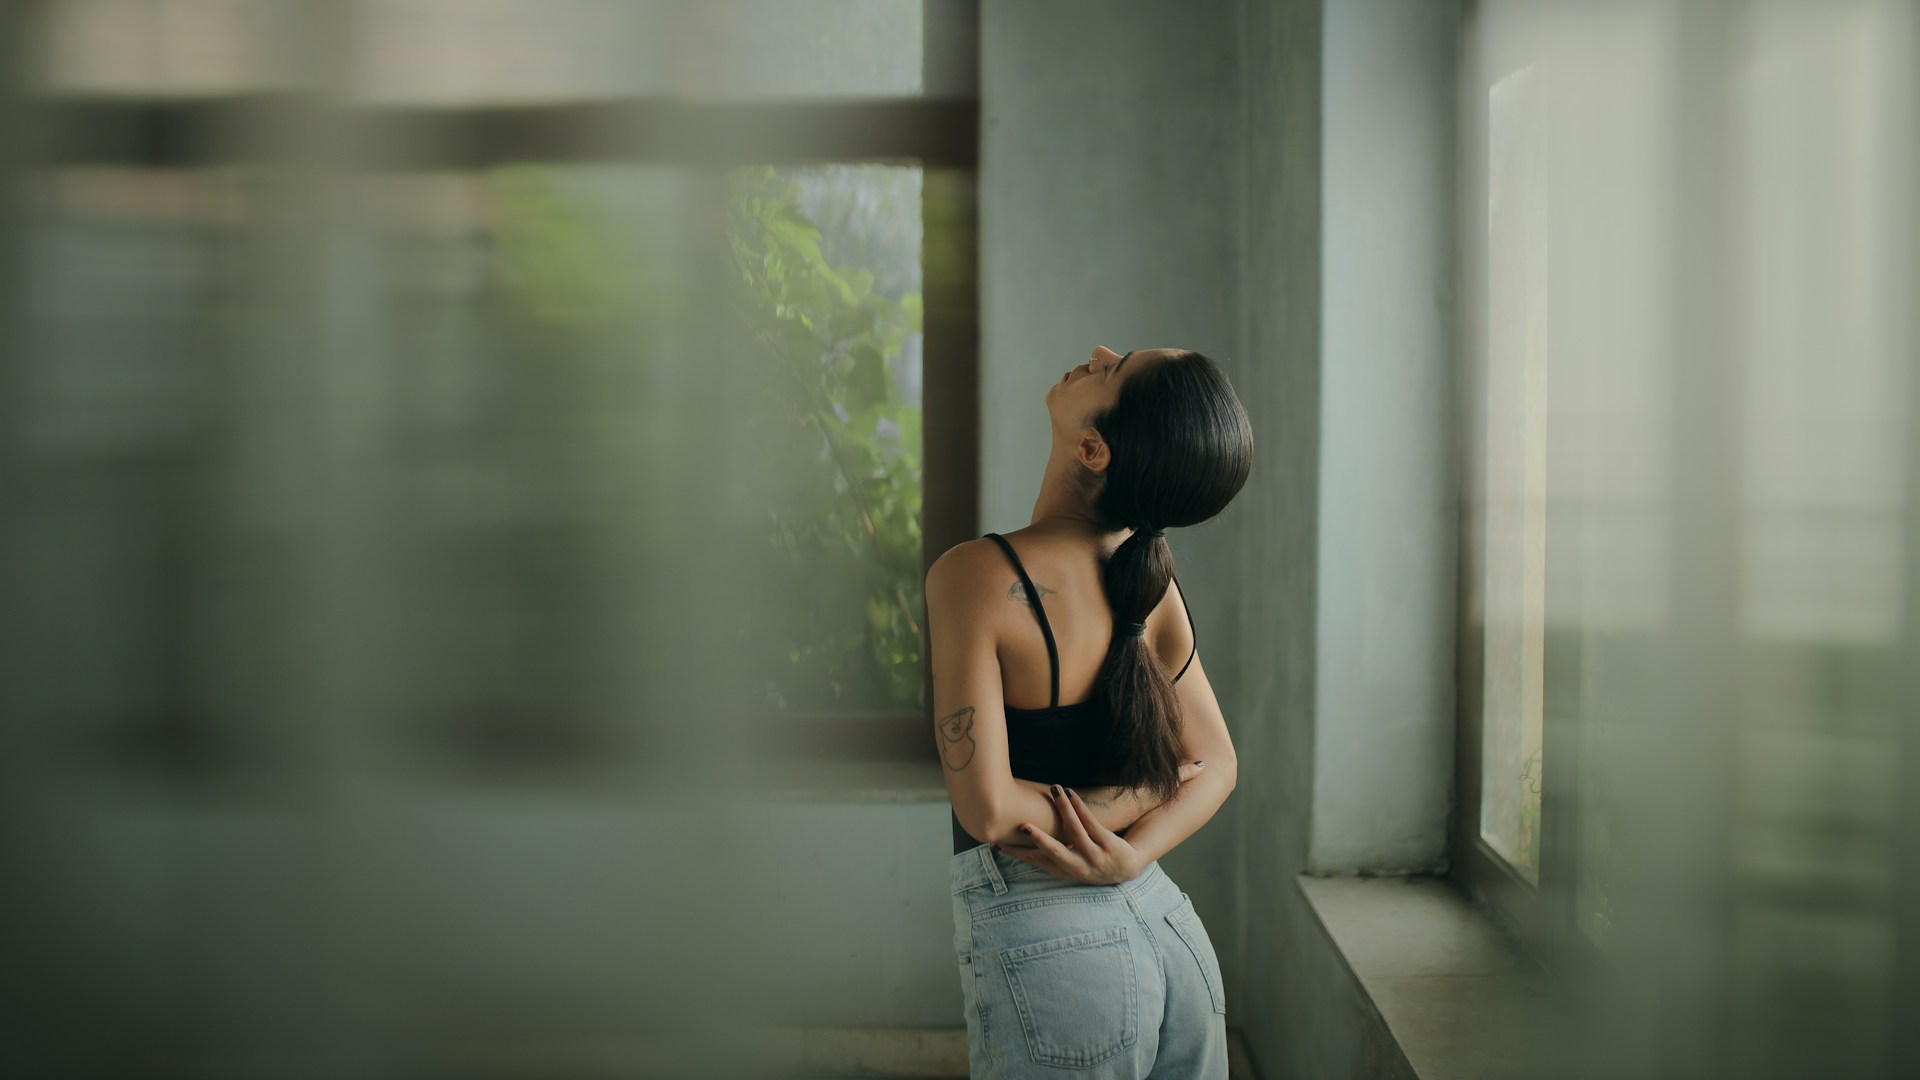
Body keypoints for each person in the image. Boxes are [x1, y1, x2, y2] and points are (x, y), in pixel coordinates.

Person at [925, 345, 1253, 1079]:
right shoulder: (1149, 586)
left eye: (1114, 368)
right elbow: (1217, 764)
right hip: (1167, 928)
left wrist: (1129, 822)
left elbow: (989, 812)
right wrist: (1136, 838)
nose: (1098, 353)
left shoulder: (975, 577)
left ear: (1093, 448)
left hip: (1058, 950)